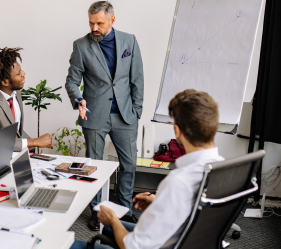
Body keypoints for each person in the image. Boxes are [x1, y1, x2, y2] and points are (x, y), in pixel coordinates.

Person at [71, 89, 224, 249]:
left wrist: (113, 220)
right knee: (109, 229)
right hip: (188, 239)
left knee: (69, 243)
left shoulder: (178, 181)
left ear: (177, 130)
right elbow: (195, 209)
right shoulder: (224, 169)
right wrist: (162, 202)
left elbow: (131, 247)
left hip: (163, 243)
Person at [65, 1, 144, 230]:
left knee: (128, 165)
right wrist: (78, 99)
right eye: (91, 23)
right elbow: (72, 81)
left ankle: (125, 210)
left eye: (99, 23)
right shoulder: (81, 46)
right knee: (96, 167)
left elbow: (136, 79)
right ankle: (98, 212)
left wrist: (137, 111)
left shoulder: (130, 41)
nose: (94, 28)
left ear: (112, 20)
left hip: (125, 115)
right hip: (94, 114)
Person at [0, 47, 52, 152]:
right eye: (18, 73)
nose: (24, 73)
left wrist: (33, 147)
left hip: (13, 155)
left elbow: (16, 131)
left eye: (21, 70)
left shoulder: (14, 90)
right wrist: (34, 142)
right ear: (5, 82)